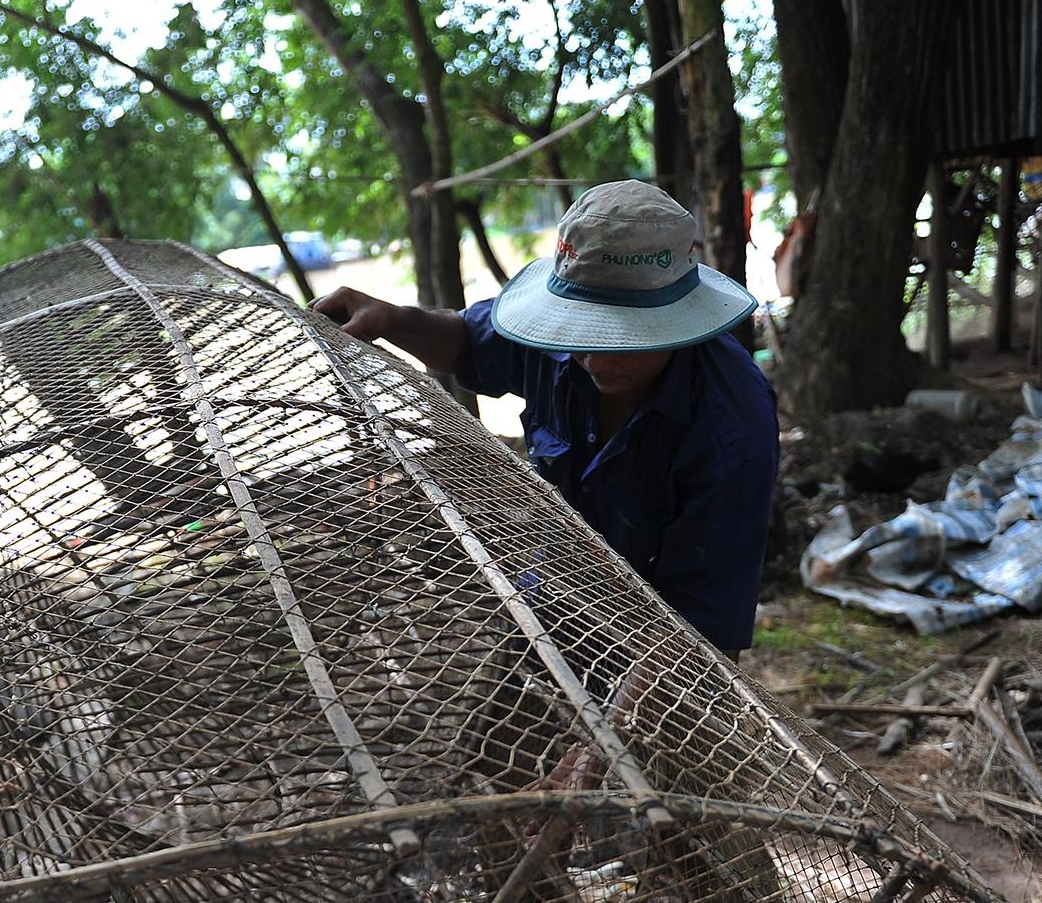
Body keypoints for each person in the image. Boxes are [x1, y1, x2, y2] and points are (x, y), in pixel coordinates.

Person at [311, 180, 778, 658]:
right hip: (552, 600)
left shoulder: (733, 425)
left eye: (622, 341)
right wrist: (393, 320)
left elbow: (702, 625)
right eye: (581, 334)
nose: (595, 361)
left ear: (678, 321)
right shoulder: (549, 337)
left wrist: (617, 725)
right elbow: (468, 343)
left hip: (665, 655)